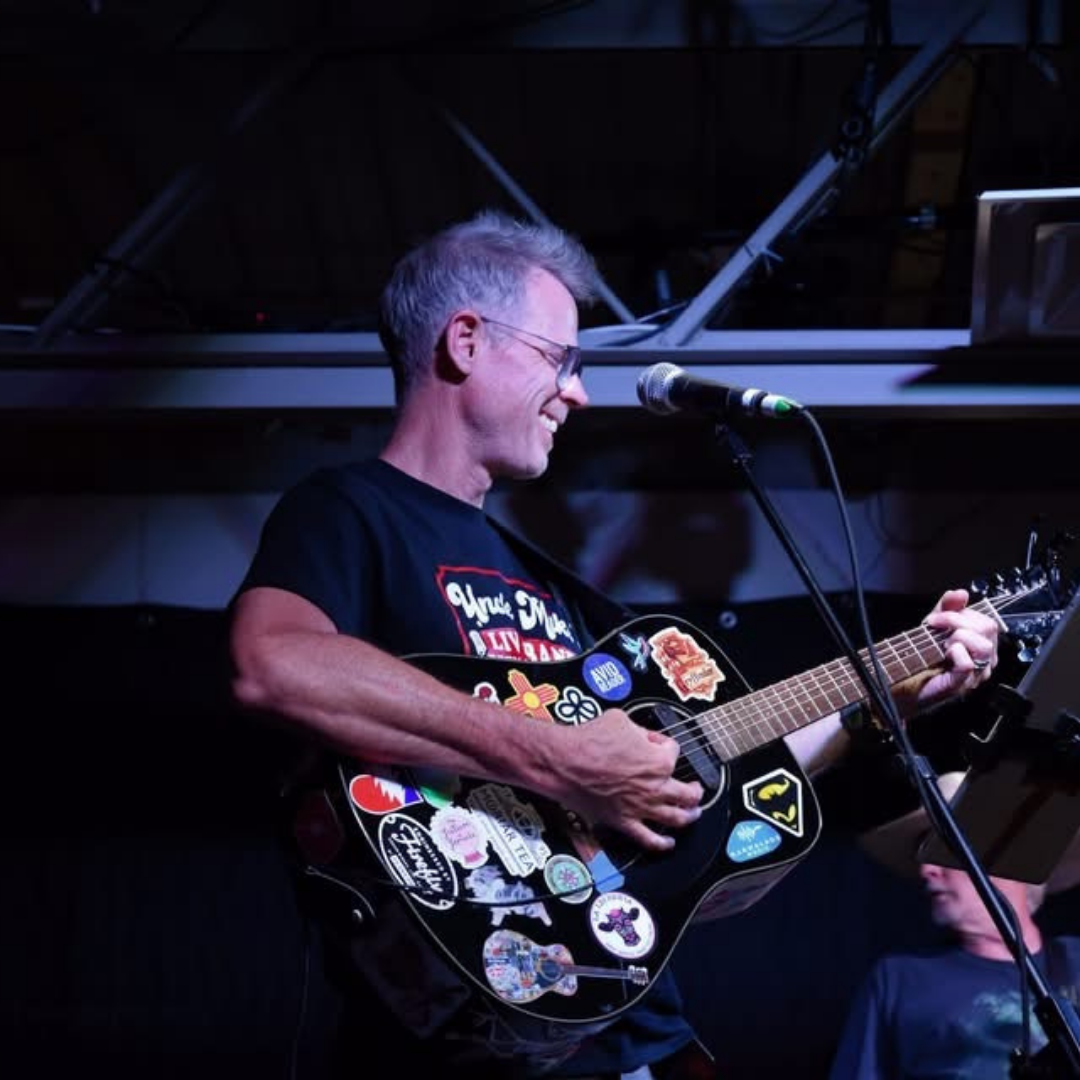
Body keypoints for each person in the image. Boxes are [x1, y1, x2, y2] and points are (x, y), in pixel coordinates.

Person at [227, 209, 1002, 1080]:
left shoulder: (556, 589)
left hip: (628, 1030)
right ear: (466, 341)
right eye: (561, 359)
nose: (579, 392)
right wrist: (559, 757)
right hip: (457, 1033)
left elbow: (694, 771)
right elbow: (274, 663)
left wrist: (885, 696)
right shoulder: (350, 510)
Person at [829, 771, 1080, 1080]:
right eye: (922, 853)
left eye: (940, 847)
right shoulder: (900, 979)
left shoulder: (1075, 959)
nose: (926, 869)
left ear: (1005, 852)